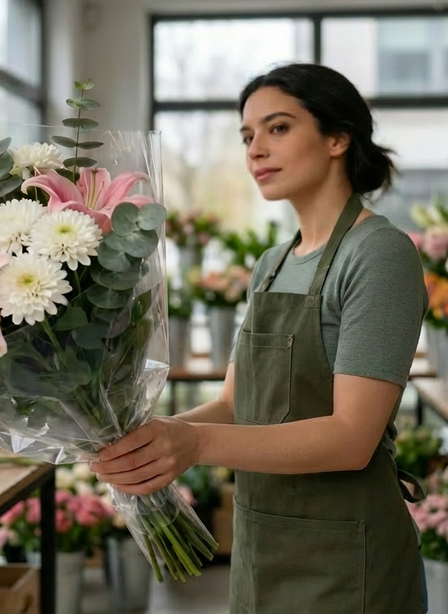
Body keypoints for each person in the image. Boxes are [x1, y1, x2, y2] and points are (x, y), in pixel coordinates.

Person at [90, 63, 429, 614]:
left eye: (278, 128)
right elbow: (233, 402)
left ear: (338, 137)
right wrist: (145, 439)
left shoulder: (379, 255)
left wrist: (192, 445)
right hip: (261, 545)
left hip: (348, 558)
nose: (255, 150)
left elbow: (351, 437)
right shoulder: (272, 264)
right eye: (248, 135)